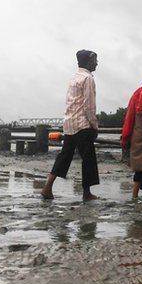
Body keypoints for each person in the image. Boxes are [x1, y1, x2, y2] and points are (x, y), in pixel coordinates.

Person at [42, 50, 101, 200]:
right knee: (88, 159)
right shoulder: (88, 78)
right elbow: (89, 106)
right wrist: (94, 125)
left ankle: (48, 186)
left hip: (70, 123)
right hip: (82, 124)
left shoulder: (74, 77)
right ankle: (86, 193)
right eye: (95, 60)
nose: (96, 63)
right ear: (88, 62)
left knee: (64, 156)